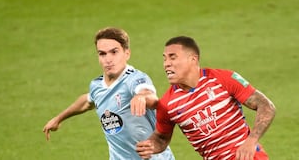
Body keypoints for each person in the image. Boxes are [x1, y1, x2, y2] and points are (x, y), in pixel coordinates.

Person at [43, 27, 175, 160]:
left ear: (127, 53)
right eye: (102, 54)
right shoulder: (97, 86)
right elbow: (86, 101)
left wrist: (141, 97)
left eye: (114, 52)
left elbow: (149, 94)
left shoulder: (134, 79)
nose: (108, 59)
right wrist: (58, 118)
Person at [136, 36, 276, 160]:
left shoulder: (223, 79)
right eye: (165, 59)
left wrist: (251, 141)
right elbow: (161, 137)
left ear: (193, 59)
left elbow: (266, 106)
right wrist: (150, 145)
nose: (166, 64)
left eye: (173, 57)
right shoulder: (167, 103)